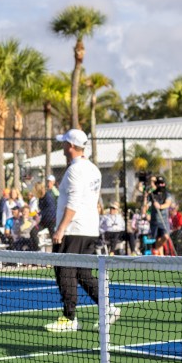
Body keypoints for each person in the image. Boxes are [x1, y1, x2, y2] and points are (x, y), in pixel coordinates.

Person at [45, 129, 118, 332]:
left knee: (64, 271)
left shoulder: (75, 170)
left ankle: (69, 318)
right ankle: (108, 308)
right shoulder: (94, 169)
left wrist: (60, 229)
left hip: (73, 230)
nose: (62, 147)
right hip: (88, 230)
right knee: (83, 272)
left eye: (64, 144)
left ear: (70, 146)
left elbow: (74, 202)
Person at [31, 174, 59, 250]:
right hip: (44, 221)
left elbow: (51, 210)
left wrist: (40, 213)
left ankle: (57, 254)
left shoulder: (48, 197)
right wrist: (37, 214)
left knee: (54, 238)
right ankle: (37, 250)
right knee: (33, 232)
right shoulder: (40, 198)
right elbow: (42, 210)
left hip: (52, 221)